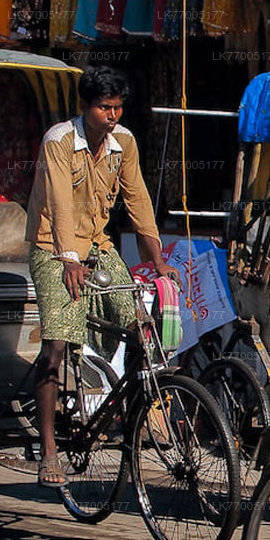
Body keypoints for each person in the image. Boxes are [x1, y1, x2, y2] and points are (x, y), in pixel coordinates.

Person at [25, 65, 177, 487]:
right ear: (85, 107)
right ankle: (49, 451)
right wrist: (69, 258)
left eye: (117, 107)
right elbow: (57, 201)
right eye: (103, 107)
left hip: (97, 243)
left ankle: (128, 432)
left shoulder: (123, 142)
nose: (112, 115)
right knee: (56, 344)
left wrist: (156, 259)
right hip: (51, 246)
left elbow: (138, 199)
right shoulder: (59, 140)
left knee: (138, 327)